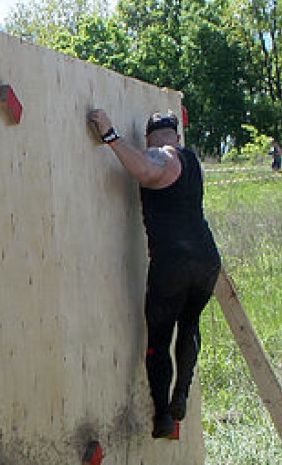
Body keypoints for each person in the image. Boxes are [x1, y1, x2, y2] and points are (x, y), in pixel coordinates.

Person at [87, 109, 222, 439]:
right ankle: (182, 393)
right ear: (176, 135)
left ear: (150, 137)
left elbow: (148, 170)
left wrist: (110, 136)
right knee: (189, 324)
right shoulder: (190, 159)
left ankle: (163, 415)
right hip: (206, 260)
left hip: (172, 263)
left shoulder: (161, 155)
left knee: (159, 340)